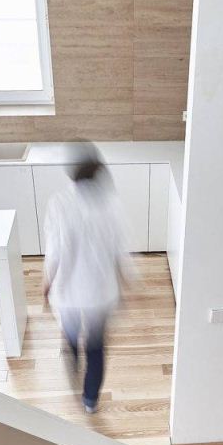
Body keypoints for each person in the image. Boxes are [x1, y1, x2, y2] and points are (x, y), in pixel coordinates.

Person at [43, 144, 131, 414]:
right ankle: (90, 399)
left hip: (68, 291)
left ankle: (73, 360)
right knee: (96, 347)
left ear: (71, 172)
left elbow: (54, 251)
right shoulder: (111, 204)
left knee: (70, 335)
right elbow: (121, 249)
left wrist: (46, 283)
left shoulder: (59, 203)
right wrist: (127, 281)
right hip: (100, 292)